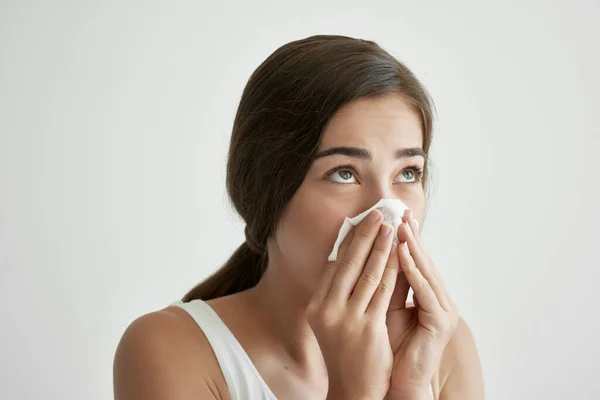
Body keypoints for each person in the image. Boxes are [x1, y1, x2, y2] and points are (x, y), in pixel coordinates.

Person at [113, 34, 484, 400]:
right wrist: (355, 391)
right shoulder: (170, 349)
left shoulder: (441, 344)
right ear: (266, 191)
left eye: (408, 172)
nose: (387, 213)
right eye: (344, 172)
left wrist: (409, 389)